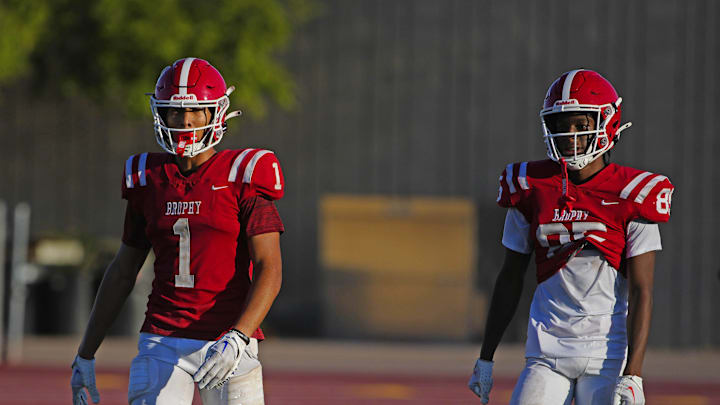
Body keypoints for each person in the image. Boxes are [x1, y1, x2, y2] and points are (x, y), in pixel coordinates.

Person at [70, 57, 285, 405]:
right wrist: (86, 352)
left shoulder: (243, 174)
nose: (185, 121)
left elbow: (270, 268)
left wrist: (240, 335)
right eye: (174, 111)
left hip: (226, 338)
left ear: (215, 114)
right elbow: (123, 271)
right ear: (160, 115)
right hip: (162, 339)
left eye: (197, 111)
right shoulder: (149, 178)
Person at [468, 69, 673, 405]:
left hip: (608, 356)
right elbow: (509, 277)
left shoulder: (635, 193)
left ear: (607, 123)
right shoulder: (529, 186)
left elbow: (641, 289)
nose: (570, 134)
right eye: (562, 125)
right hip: (546, 354)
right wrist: (485, 356)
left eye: (580, 124)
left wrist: (633, 373)